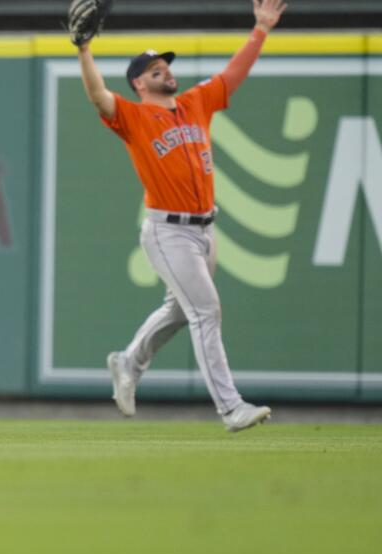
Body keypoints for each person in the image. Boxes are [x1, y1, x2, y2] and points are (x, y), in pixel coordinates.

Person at [75, 0, 286, 432]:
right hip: (168, 232)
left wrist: (260, 30)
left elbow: (232, 77)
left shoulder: (194, 103)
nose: (166, 72)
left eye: (166, 66)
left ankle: (128, 362)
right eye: (156, 70)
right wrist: (84, 50)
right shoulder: (133, 116)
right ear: (140, 83)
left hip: (206, 230)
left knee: (178, 310)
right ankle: (231, 408)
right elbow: (98, 95)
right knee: (206, 310)